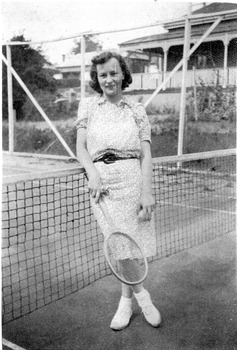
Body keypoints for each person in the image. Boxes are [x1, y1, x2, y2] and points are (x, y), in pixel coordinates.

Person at [74, 51, 161, 330]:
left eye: (113, 73)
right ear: (97, 79)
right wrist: (93, 175)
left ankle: (125, 301)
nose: (109, 79)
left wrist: (146, 192)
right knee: (119, 246)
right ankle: (143, 299)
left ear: (123, 73)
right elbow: (81, 148)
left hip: (133, 180)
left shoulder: (136, 110)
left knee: (133, 248)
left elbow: (146, 155)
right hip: (103, 187)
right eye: (103, 75)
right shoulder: (88, 106)